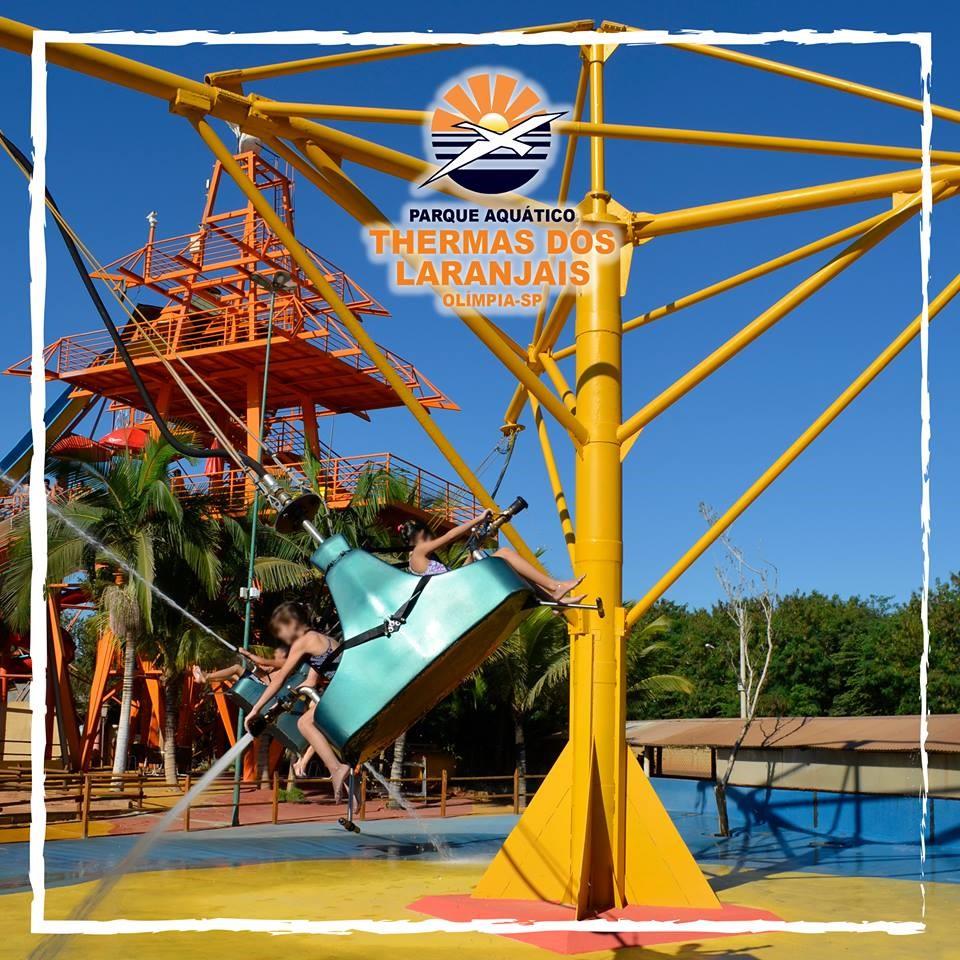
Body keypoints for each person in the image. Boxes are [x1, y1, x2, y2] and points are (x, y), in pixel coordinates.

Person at [244, 601, 352, 800]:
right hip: (348, 689)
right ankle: (351, 794)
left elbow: (280, 678)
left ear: (292, 623)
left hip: (345, 692)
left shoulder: (303, 642)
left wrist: (256, 709)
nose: (281, 637)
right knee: (324, 731)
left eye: (281, 631)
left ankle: (336, 769)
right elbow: (310, 681)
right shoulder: (321, 639)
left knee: (305, 723)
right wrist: (292, 695)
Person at [402, 514, 585, 603]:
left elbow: (459, 575)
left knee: (508, 564)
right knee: (504, 553)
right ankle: (554, 586)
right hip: (455, 594)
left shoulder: (423, 560)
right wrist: (479, 518)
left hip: (456, 589)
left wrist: (472, 551)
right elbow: (450, 536)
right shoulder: (418, 552)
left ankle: (554, 600)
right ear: (424, 534)